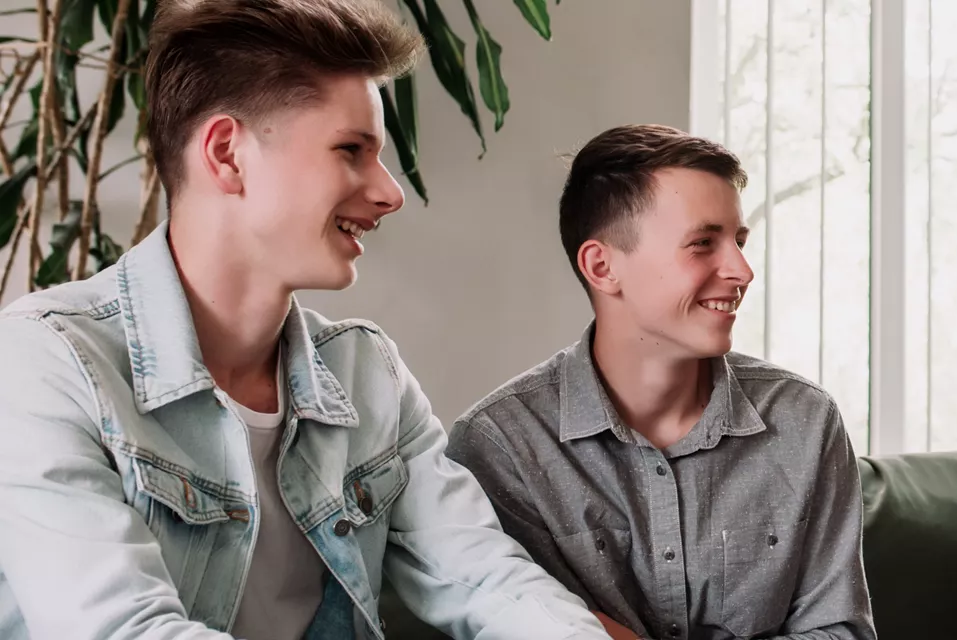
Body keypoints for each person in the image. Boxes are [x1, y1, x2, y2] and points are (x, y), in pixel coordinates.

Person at [0, 1, 611, 638]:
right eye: (351, 149)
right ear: (227, 154)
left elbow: (485, 577)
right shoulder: (46, 362)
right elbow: (122, 630)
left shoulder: (365, 371)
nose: (390, 191)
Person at [445, 124, 876, 640]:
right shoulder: (503, 445)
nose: (742, 270)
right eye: (702, 244)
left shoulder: (804, 420)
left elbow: (840, 633)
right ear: (602, 266)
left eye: (738, 241)